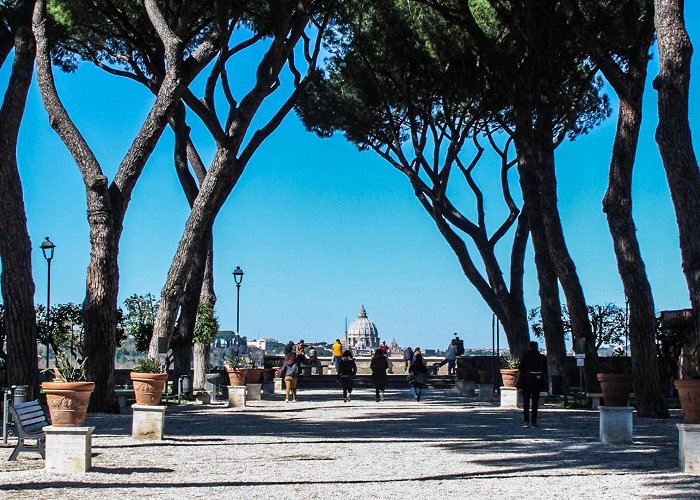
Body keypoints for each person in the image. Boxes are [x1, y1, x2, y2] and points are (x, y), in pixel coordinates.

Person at [517, 341, 548, 427]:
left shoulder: (526, 357)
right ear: (537, 347)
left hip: (527, 382)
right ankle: (534, 421)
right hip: (537, 382)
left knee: (526, 402)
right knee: (535, 402)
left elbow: (521, 369)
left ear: (530, 347)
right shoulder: (541, 357)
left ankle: (526, 420)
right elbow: (545, 371)